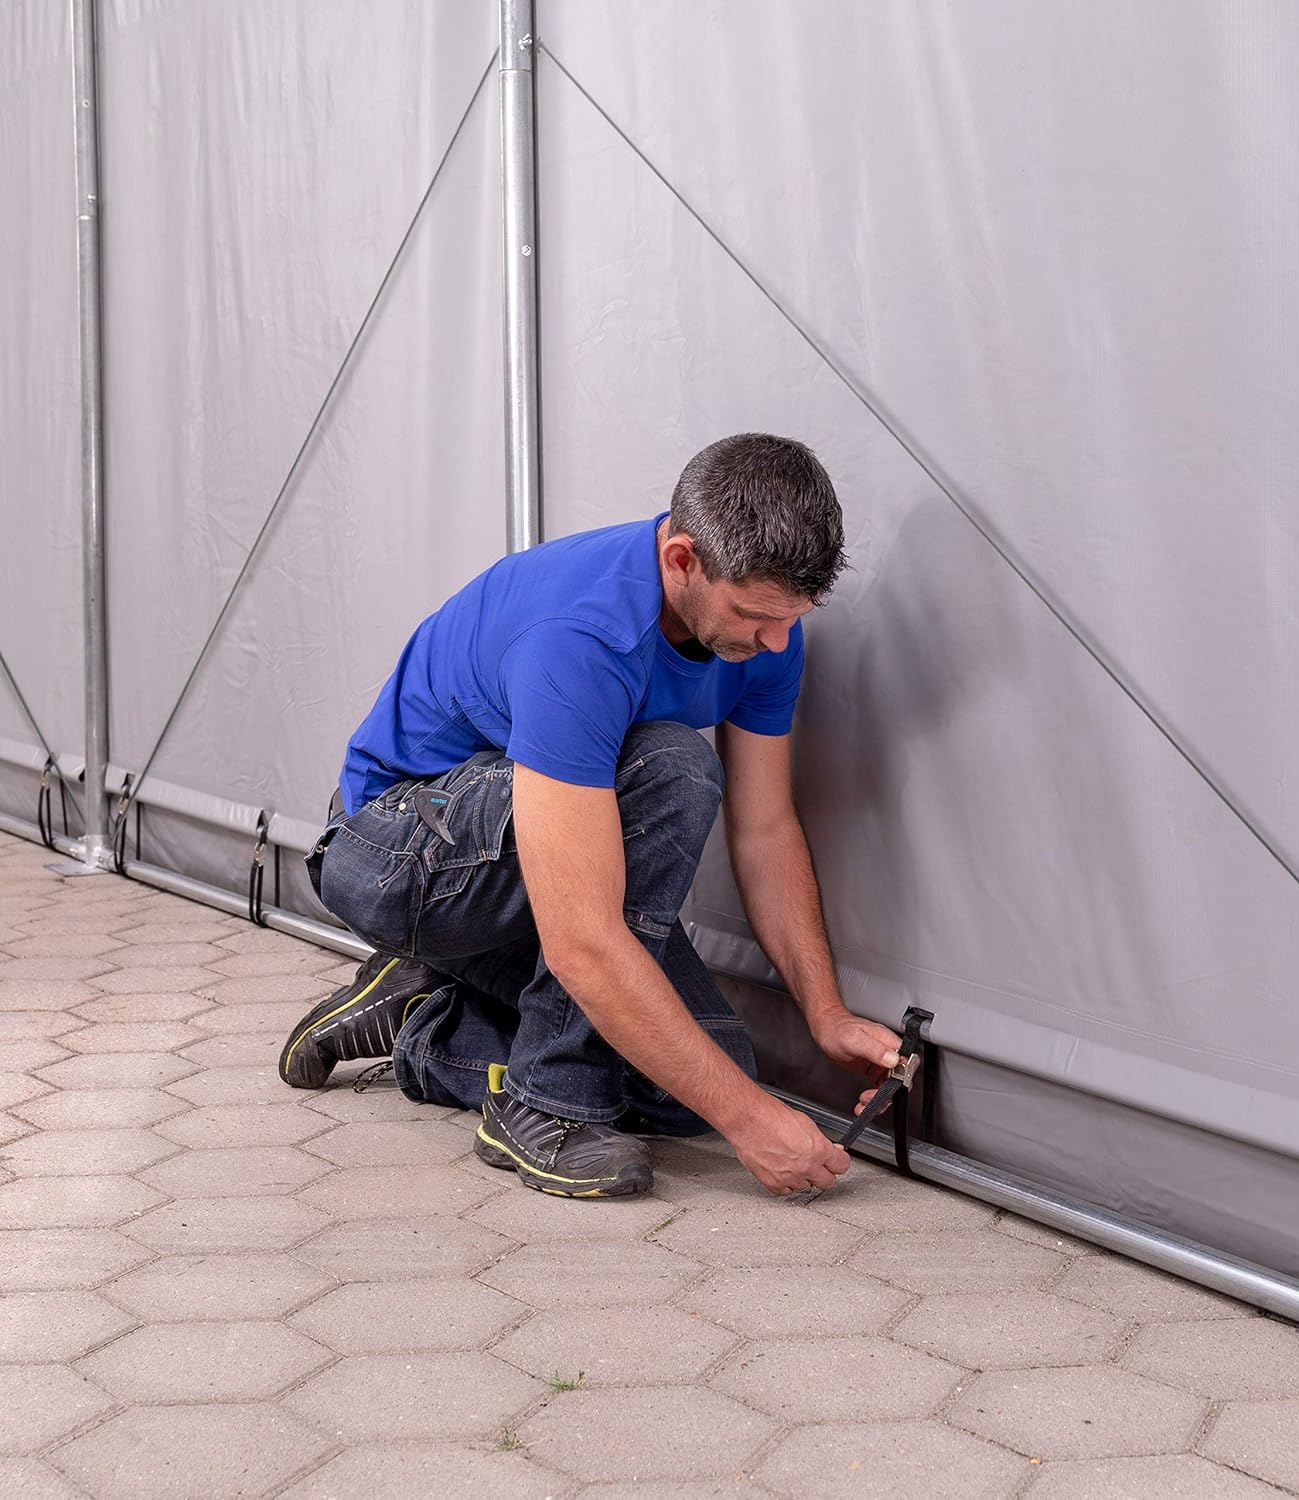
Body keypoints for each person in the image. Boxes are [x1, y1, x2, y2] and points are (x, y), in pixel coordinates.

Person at [279, 432, 902, 1198]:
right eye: (754, 615)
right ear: (682, 560)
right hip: (390, 853)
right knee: (671, 768)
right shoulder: (582, 636)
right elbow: (581, 937)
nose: (777, 640)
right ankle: (546, 1104)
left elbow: (765, 831)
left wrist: (826, 1012)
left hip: (518, 860)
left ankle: (425, 1020)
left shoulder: (770, 635)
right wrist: (753, 1127)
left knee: (695, 1083)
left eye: (792, 617)